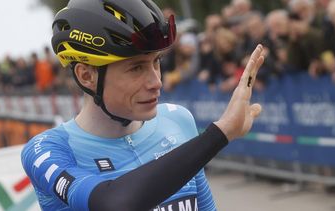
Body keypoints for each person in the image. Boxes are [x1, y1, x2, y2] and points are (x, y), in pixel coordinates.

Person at [21, 0, 265, 210]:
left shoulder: (177, 120)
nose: (156, 81)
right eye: (136, 68)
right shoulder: (48, 150)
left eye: (156, 61)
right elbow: (115, 204)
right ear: (87, 76)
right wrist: (220, 134)